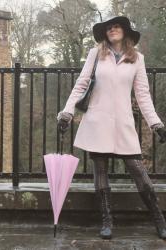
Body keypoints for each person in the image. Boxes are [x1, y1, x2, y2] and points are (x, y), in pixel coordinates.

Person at [57, 16, 166, 240]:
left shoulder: (137, 59)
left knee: (137, 169)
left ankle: (159, 219)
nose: (112, 29)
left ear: (125, 31)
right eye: (109, 27)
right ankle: (107, 222)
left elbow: (143, 95)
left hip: (123, 123)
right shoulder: (96, 54)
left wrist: (156, 124)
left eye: (117, 26)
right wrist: (67, 112)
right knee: (101, 171)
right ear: (105, 33)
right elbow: (82, 83)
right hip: (97, 121)